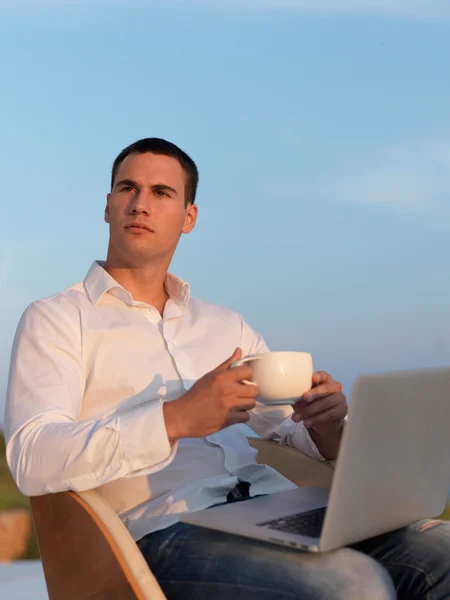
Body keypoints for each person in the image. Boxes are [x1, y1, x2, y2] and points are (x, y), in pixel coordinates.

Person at [4, 138, 450, 599]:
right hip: (158, 535)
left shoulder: (225, 326)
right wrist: (175, 418)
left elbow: (286, 428)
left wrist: (328, 426)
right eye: (127, 188)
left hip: (272, 509)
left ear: (189, 218)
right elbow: (32, 456)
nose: (140, 204)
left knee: (441, 552)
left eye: (161, 193)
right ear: (108, 206)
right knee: (352, 585)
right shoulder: (58, 318)